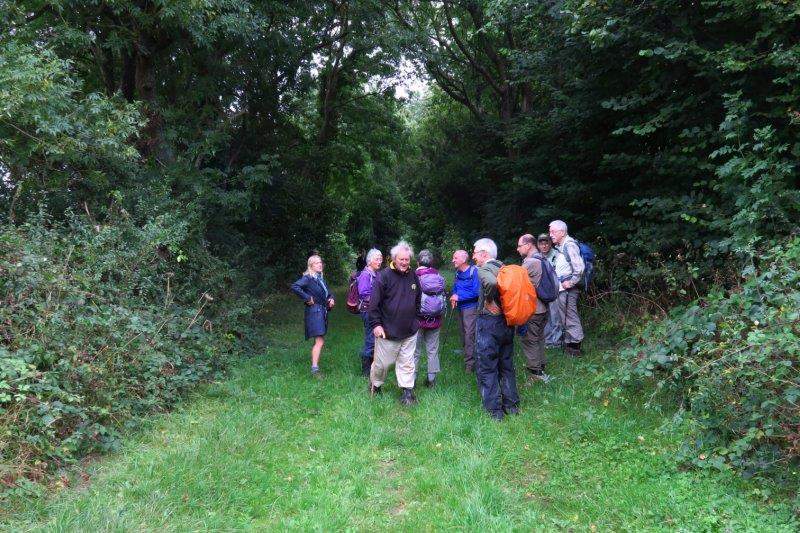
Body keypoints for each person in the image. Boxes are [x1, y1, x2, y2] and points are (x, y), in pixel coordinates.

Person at [368, 241, 421, 405]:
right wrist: (376, 325)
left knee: (407, 362)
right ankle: (375, 386)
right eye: (401, 260)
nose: (405, 262)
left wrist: (415, 319)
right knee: (382, 364)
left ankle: (407, 392)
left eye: (407, 259)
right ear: (394, 259)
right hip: (388, 331)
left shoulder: (413, 275)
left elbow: (418, 299)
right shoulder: (383, 276)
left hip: (410, 330)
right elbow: (373, 304)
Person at [473, 238, 520, 420]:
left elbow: (491, 284)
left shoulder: (484, 269)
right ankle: (512, 406)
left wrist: (488, 300)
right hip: (507, 323)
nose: (473, 256)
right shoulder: (504, 267)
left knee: (487, 365)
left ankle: (494, 411)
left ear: (484, 254)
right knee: (506, 365)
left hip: (489, 324)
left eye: (475, 252)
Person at [290, 255, 335, 377]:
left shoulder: (320, 279)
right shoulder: (308, 278)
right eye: (316, 263)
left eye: (320, 262)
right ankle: (315, 370)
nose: (320, 265)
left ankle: (315, 368)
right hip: (315, 312)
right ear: (311, 266)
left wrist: (331, 299)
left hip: (322, 311)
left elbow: (328, 292)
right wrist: (307, 298)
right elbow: (295, 286)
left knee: (319, 340)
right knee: (319, 340)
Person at [517, 233, 551, 383]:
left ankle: (535, 374)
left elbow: (516, 283)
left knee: (529, 340)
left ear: (528, 245)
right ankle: (541, 367)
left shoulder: (530, 262)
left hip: (533, 309)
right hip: (543, 306)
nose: (517, 249)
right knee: (539, 338)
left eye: (519, 246)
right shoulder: (543, 258)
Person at [549, 220, 585, 356]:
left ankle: (576, 348)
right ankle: (570, 346)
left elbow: (579, 268)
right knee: (565, 317)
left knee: (570, 316)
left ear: (562, 232)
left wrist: (570, 283)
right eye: (550, 231)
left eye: (553, 231)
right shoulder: (561, 246)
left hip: (568, 289)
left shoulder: (569, 245)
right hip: (562, 289)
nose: (550, 234)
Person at [414, 249, 446, 387]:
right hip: (435, 319)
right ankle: (431, 380)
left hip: (417, 320)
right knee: (433, 350)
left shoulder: (414, 275)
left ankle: (412, 380)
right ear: (431, 262)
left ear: (418, 261)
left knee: (414, 351)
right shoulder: (438, 276)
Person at [537, 234, 570, 348]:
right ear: (538, 245)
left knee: (556, 317)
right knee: (545, 317)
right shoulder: (537, 257)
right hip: (541, 292)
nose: (544, 246)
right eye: (541, 244)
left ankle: (557, 342)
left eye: (546, 243)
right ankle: (548, 341)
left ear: (550, 244)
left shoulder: (557, 255)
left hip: (555, 291)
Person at [450, 249, 480, 372]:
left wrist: (459, 297)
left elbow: (476, 292)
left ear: (463, 259)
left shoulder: (474, 272)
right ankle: (468, 357)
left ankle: (470, 365)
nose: (453, 260)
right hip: (460, 307)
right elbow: (455, 288)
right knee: (463, 334)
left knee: (469, 335)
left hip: (471, 308)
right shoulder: (458, 273)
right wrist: (453, 296)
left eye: (455, 258)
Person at [356, 248, 382, 376]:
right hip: (368, 311)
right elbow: (363, 294)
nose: (380, 261)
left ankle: (373, 366)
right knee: (370, 338)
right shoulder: (365, 275)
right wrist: (379, 299)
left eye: (381, 258)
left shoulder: (376, 274)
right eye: (377, 259)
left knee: (375, 338)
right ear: (369, 261)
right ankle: (366, 371)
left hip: (375, 310)